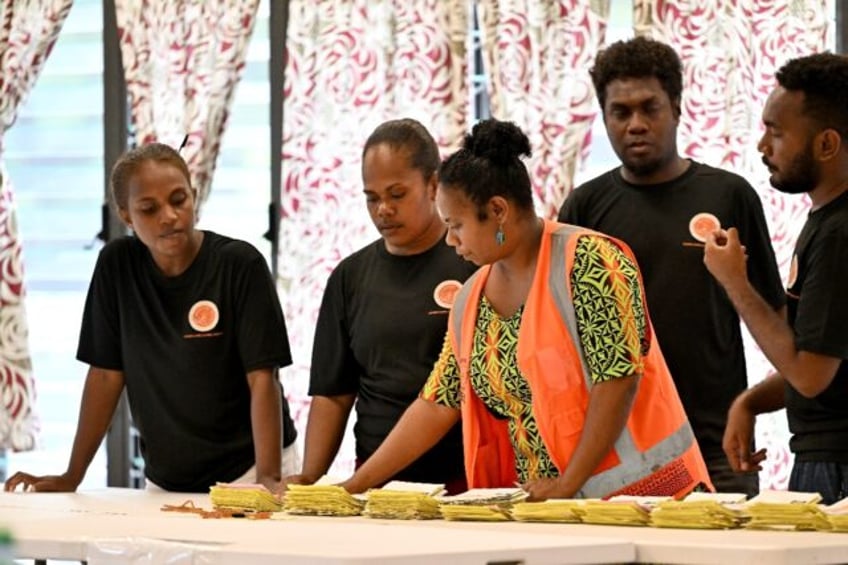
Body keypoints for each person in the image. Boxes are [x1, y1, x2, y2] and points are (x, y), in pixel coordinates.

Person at [341, 118, 712, 501]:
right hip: (554, 509)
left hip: (647, 498)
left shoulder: (589, 261)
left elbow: (616, 380)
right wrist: (356, 486)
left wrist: (568, 482)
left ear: (498, 210)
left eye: (457, 225)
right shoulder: (471, 298)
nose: (450, 239)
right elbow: (437, 402)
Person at [558, 36, 785, 496]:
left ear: (677, 109)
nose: (636, 124)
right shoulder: (583, 207)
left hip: (717, 444)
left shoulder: (729, 195)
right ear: (604, 118)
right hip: (617, 449)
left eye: (650, 108)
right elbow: (561, 337)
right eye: (621, 113)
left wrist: (757, 405)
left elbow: (777, 321)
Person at [4, 143, 298, 494]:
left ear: (195, 195)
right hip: (166, 479)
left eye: (179, 200)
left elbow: (263, 378)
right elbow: (104, 376)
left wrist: (267, 477)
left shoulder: (239, 264)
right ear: (126, 215)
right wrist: (73, 475)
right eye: (149, 208)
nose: (169, 216)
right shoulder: (117, 266)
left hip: (249, 470)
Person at [286, 119, 475, 491]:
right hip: (376, 481)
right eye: (372, 198)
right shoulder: (349, 277)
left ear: (434, 185)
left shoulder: (473, 261)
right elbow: (333, 394)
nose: (383, 209)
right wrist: (311, 475)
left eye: (397, 194)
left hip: (466, 476)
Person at [705, 53, 848, 505]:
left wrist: (735, 283)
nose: (762, 146)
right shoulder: (827, 221)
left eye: (777, 132)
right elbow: (821, 356)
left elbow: (809, 375)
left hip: (837, 464)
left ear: (827, 145)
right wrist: (750, 402)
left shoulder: (841, 233)